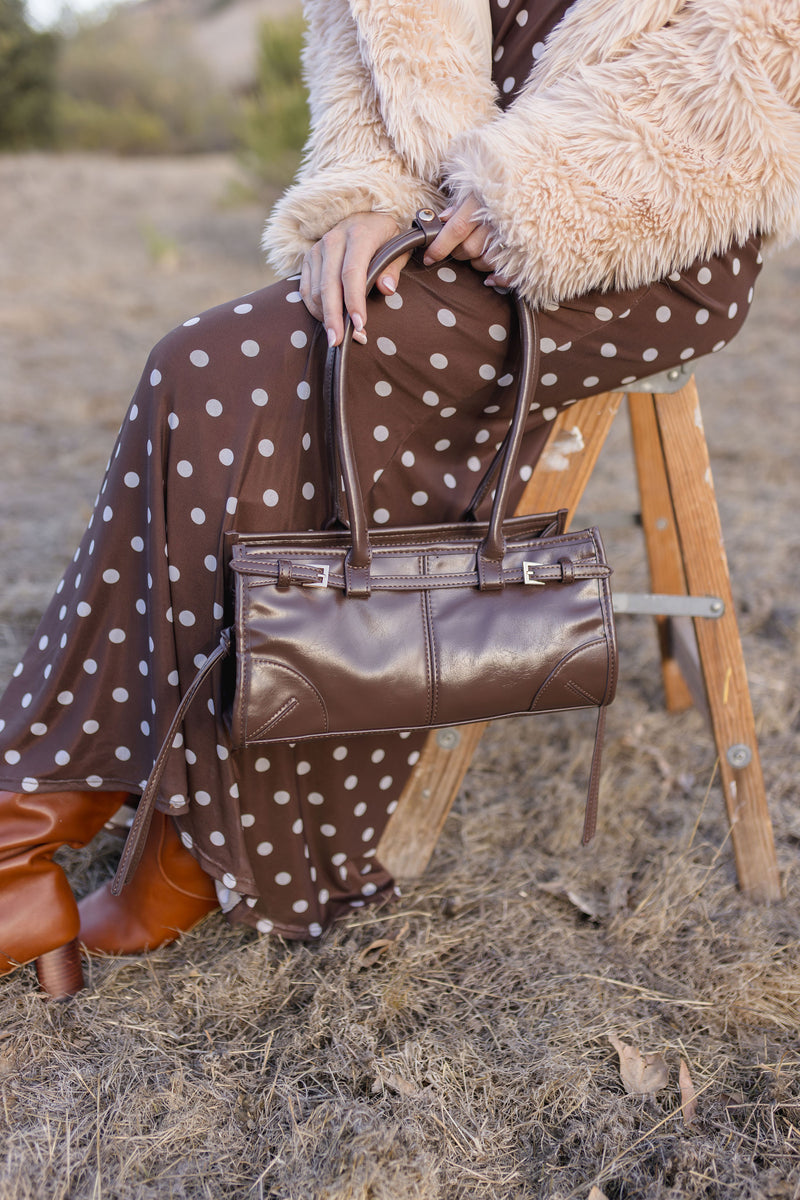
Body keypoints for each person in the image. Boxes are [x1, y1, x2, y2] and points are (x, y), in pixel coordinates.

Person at [2, 0, 799, 996]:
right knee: (218, 371)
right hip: (434, 211)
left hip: (649, 210)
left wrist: (534, 191)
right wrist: (367, 194)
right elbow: (363, 53)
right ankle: (121, 838)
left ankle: (116, 839)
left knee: (225, 369)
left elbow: (755, 51)